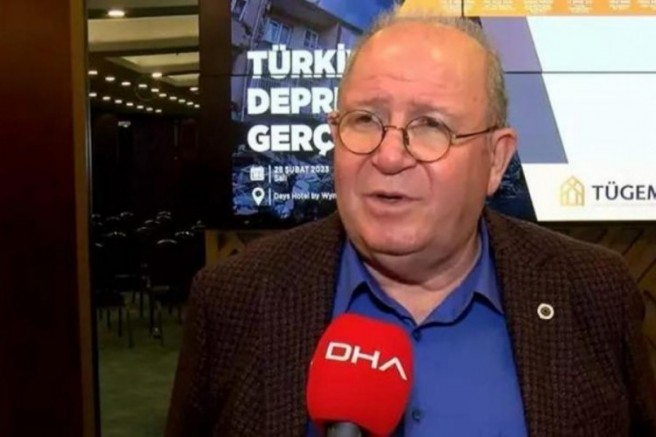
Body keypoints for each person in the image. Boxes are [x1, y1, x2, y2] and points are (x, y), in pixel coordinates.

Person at [165, 7, 656, 437]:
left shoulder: (592, 291)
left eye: (431, 126)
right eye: (364, 120)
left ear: (495, 159)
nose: (389, 156)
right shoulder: (235, 299)